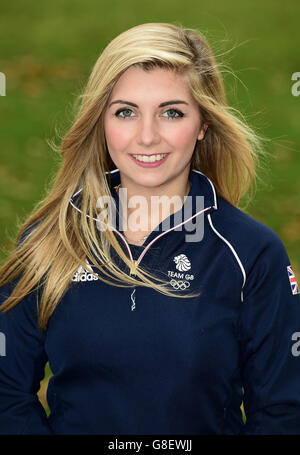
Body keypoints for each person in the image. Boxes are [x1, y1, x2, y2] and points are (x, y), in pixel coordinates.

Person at [0, 22, 299, 436]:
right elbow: (7, 394)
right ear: (101, 123)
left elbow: (283, 411)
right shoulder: (51, 240)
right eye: (126, 112)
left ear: (203, 125)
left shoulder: (252, 253)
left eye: (171, 112)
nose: (146, 136)